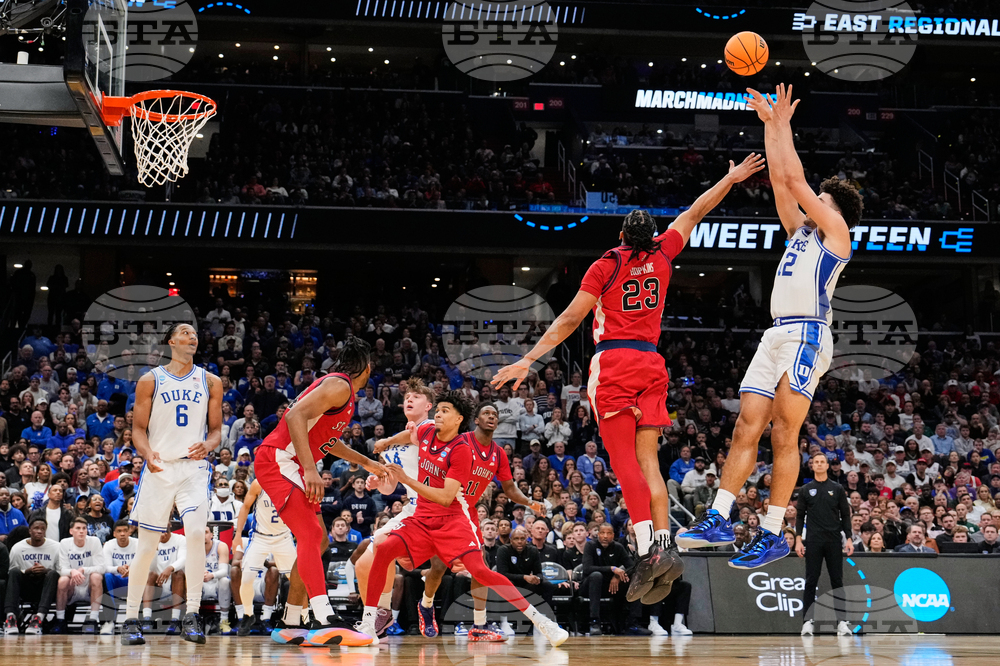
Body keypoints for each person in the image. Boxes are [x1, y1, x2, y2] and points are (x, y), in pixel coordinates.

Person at [492, 153, 766, 603]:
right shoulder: (665, 251)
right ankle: (662, 543)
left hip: (615, 366)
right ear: (651, 235)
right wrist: (731, 178)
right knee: (650, 466)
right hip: (652, 365)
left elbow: (568, 321)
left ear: (621, 235)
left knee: (625, 468)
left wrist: (530, 359)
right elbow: (696, 209)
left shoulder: (606, 265)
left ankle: (646, 554)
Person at [679, 84, 864, 569]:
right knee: (746, 426)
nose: (809, 206)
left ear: (833, 210)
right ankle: (719, 516)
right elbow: (783, 184)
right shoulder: (801, 235)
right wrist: (768, 124)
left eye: (819, 202)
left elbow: (795, 179)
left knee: (784, 433)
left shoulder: (838, 235)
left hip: (807, 334)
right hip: (776, 333)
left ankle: (773, 530)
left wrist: (781, 125)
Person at [355, 392, 568, 647]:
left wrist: (407, 479)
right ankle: (371, 621)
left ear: (458, 419)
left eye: (445, 410)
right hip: (422, 516)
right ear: (475, 420)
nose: (438, 414)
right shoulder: (427, 432)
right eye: (439, 409)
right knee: (385, 548)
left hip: (455, 517)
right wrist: (387, 441)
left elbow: (446, 498)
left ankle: (542, 622)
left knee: (480, 570)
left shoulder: (462, 450)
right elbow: (410, 435)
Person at [253, 338, 383, 647]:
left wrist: (367, 463)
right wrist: (311, 470)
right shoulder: (340, 386)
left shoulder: (335, 389)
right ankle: (324, 617)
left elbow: (326, 439)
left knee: (319, 540)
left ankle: (290, 621)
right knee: (311, 536)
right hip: (280, 459)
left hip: (292, 462)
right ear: (368, 369)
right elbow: (293, 417)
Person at [122, 323, 224, 646]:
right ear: (171, 341)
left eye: (194, 333)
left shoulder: (211, 381)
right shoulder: (150, 380)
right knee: (147, 546)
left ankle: (192, 615)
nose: (192, 337)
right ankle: (129, 619)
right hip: (160, 466)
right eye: (185, 332)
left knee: (195, 533)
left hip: (194, 468)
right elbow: (138, 429)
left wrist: (208, 446)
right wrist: (147, 453)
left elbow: (217, 431)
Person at [416, 402, 545, 641]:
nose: (491, 417)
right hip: (441, 508)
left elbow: (510, 489)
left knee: (481, 567)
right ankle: (426, 604)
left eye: (495, 414)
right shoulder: (459, 440)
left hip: (467, 514)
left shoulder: (498, 453)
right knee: (439, 565)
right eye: (486, 413)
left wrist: (530, 503)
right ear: (475, 420)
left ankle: (479, 624)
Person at [351, 378, 434, 639]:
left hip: (435, 506)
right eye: (407, 396)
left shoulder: (431, 428)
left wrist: (386, 440)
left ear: (429, 405)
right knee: (363, 563)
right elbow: (390, 488)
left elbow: (416, 437)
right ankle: (382, 615)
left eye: (417, 396)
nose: (410, 399)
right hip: (413, 506)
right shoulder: (396, 442)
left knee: (380, 549)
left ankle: (377, 617)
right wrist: (378, 483)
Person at [794, 454, 853, 637]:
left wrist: (849, 538)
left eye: (822, 462)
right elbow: (800, 516)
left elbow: (845, 515)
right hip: (813, 540)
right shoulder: (806, 489)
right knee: (811, 580)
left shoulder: (837, 488)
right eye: (816, 462)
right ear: (812, 466)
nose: (819, 464)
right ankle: (807, 622)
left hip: (834, 540)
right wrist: (798, 539)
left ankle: (842, 622)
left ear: (827, 466)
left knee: (837, 581)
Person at [231, 479, 296, 636]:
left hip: (284, 537)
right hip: (260, 537)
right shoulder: (258, 483)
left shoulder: (292, 481)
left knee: (296, 580)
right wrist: (238, 534)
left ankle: (300, 617)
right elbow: (246, 506)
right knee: (246, 579)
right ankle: (248, 614)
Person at [583, 523, 649, 636]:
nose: (605, 536)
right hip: (590, 586)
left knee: (636, 578)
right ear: (598, 534)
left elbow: (632, 566)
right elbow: (587, 569)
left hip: (611, 586)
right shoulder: (590, 546)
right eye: (602, 533)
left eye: (608, 533)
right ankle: (594, 622)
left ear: (613, 535)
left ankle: (632, 623)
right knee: (596, 575)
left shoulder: (618, 547)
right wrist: (612, 569)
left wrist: (618, 576)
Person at [4, 517, 60, 635]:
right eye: (36, 528)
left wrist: (46, 571)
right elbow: (10, 573)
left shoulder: (56, 547)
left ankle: (38, 618)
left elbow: (61, 571)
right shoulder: (18, 548)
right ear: (29, 531)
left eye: (42, 529)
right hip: (26, 588)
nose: (39, 531)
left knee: (53, 573)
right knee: (14, 572)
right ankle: (10, 617)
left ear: (46, 531)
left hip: (46, 588)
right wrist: (27, 571)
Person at [53, 516, 106, 633]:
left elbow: (102, 568)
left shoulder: (94, 541)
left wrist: (83, 570)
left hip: (89, 587)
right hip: (72, 587)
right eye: (78, 528)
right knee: (62, 580)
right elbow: (62, 569)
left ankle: (93, 620)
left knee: (96, 576)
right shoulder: (65, 543)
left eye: (84, 528)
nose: (81, 531)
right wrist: (73, 571)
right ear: (71, 531)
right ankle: (60, 620)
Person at [102, 518, 137, 635]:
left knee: (144, 575)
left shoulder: (137, 544)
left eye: (125, 530)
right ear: (114, 534)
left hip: (133, 580)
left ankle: (138, 621)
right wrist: (118, 568)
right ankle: (109, 621)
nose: (122, 534)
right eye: (119, 531)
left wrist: (131, 570)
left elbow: (145, 565)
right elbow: (105, 567)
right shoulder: (108, 545)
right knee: (106, 576)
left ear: (129, 532)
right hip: (117, 580)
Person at [199, 527, 231, 633]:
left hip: (216, 583)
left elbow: (224, 571)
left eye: (206, 532)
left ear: (211, 535)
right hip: (201, 584)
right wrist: (199, 575)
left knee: (225, 581)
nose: (203, 535)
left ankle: (224, 620)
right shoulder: (191, 547)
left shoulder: (221, 546)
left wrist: (211, 575)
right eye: (200, 532)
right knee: (190, 581)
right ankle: (195, 620)